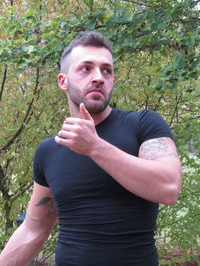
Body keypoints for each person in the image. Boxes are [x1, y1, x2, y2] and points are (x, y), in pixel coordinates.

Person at [0, 31, 181, 266]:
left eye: (107, 70)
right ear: (63, 81)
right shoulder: (49, 150)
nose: (98, 77)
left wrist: (94, 147)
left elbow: (168, 187)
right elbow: (34, 229)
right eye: (86, 68)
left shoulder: (144, 124)